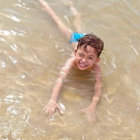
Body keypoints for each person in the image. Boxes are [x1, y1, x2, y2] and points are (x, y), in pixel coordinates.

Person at [37, 0, 104, 123]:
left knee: (78, 21)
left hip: (84, 40)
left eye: (90, 58)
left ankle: (71, 5)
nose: (83, 60)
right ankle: (44, 3)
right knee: (57, 21)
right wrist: (52, 100)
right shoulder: (72, 61)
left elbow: (98, 86)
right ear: (75, 53)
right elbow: (60, 79)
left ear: (97, 60)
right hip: (75, 38)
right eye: (81, 55)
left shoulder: (96, 69)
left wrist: (92, 106)